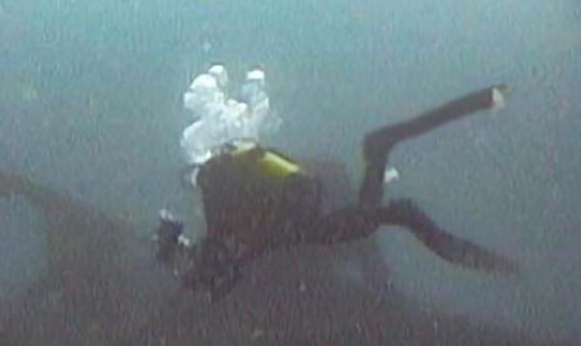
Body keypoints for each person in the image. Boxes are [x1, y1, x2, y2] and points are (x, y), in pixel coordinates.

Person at [156, 83, 519, 299]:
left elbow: (222, 254)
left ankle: (408, 209)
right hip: (301, 202)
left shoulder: (213, 184)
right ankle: (385, 149)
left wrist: (182, 260)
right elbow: (235, 253)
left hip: (299, 216)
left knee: (367, 221)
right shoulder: (233, 176)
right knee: (364, 214)